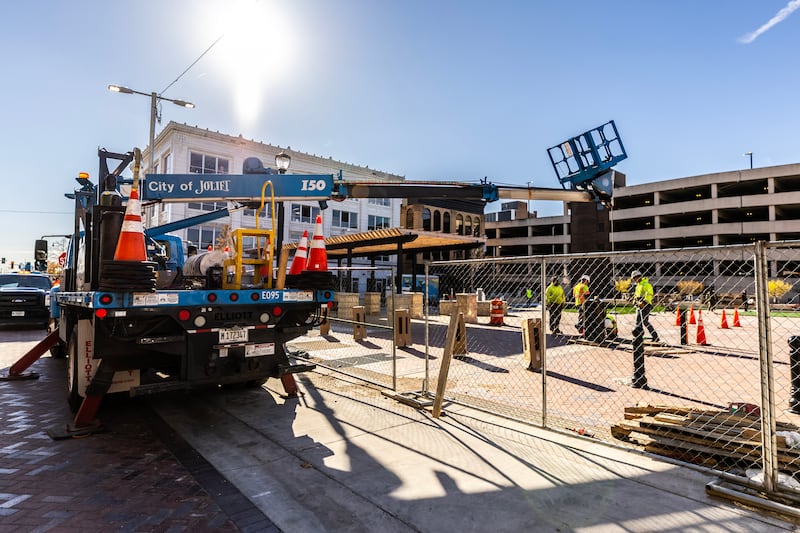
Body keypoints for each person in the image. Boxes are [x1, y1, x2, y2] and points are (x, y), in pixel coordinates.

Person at [631, 270, 659, 343]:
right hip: (639, 305)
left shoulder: (646, 284)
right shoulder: (638, 286)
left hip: (646, 305)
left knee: (645, 321)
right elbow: (636, 295)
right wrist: (634, 301)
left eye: (634, 278)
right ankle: (639, 336)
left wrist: (644, 302)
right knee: (638, 322)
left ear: (638, 277)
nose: (634, 280)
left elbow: (649, 294)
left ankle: (655, 336)